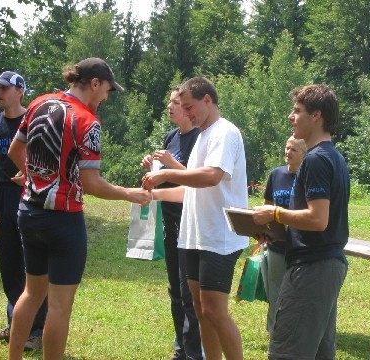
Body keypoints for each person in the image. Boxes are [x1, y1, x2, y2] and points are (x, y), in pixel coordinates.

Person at [6, 57, 150, 360]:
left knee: (31, 294)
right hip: (63, 221)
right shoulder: (88, 122)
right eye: (107, 90)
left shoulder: (38, 103)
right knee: (59, 305)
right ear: (94, 83)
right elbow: (92, 184)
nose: (106, 98)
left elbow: (14, 150)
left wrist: (34, 176)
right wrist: (129, 194)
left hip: (28, 213)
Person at [142, 76, 248, 360]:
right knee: (200, 309)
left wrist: (166, 173)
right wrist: (155, 195)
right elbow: (191, 190)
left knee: (214, 310)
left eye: (189, 107)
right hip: (193, 235)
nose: (186, 113)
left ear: (208, 100)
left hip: (219, 237)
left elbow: (212, 176)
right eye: (183, 107)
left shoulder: (225, 133)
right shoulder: (203, 135)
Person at [252, 84, 350, 359]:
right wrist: (275, 232)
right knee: (320, 353)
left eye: (297, 111)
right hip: (324, 265)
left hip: (311, 269)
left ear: (316, 115)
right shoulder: (334, 157)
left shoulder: (316, 160)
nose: (290, 117)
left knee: (286, 352)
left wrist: (274, 214)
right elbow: (319, 225)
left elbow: (318, 220)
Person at [0, 71, 47, 350]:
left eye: (5, 88)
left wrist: (30, 176)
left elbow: (45, 161)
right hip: (3, 199)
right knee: (9, 266)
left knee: (31, 266)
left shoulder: (33, 122)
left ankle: (37, 331)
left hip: (30, 198)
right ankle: (15, 324)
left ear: (20, 91)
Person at [140, 85, 202, 359]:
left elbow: (200, 179)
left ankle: (193, 353)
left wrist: (171, 164)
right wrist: (153, 168)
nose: (171, 106)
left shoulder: (200, 138)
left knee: (189, 295)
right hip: (170, 222)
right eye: (170, 102)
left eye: (176, 102)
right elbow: (166, 174)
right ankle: (181, 350)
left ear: (189, 108)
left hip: (192, 223)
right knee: (175, 292)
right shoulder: (170, 137)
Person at [262, 136, 306, 335]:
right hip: (276, 244)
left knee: (298, 293)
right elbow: (267, 206)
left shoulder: (307, 177)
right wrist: (265, 233)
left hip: (300, 246)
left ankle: (296, 332)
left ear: (304, 155)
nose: (288, 152)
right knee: (275, 291)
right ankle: (275, 333)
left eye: (294, 150)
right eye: (287, 148)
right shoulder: (276, 174)